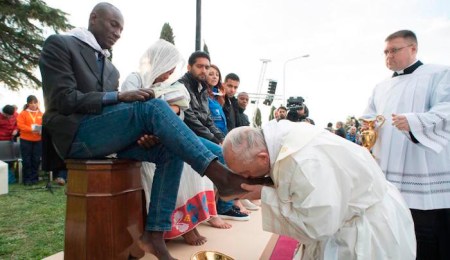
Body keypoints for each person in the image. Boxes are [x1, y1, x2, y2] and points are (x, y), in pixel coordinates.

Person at [39, 3, 270, 259]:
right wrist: (119, 96)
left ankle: (155, 234)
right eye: (113, 24)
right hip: (76, 135)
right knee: (152, 107)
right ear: (93, 18)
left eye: (121, 28)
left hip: (104, 135)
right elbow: (63, 99)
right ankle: (222, 176)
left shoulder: (110, 67)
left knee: (169, 151)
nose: (117, 32)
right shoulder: (60, 44)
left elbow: (114, 117)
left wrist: (138, 134)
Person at [222, 121, 416, 260]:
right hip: (347, 212)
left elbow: (317, 227)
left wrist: (263, 194)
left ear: (263, 157)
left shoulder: (303, 163)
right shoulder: (278, 137)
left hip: (364, 229)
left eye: (246, 172)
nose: (247, 177)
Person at [121, 39, 228, 244]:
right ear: (158, 62)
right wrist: (164, 114)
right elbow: (132, 112)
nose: (170, 73)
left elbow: (176, 115)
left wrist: (173, 110)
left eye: (172, 69)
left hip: (161, 137)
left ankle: (191, 223)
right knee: (180, 160)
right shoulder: (134, 80)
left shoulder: (166, 86)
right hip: (141, 141)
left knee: (191, 165)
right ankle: (180, 226)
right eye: (167, 68)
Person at [361, 29, 450, 260]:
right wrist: (366, 129)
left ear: (413, 48)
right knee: (393, 225)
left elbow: (447, 109)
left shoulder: (439, 73)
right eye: (385, 52)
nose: (388, 56)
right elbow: (369, 117)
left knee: (424, 230)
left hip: (422, 166)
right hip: (388, 168)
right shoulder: (380, 87)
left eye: (394, 50)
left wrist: (414, 122)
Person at [178, 51, 225, 145]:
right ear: (189, 67)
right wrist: (214, 140)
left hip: (202, 137)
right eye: (199, 66)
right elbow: (191, 121)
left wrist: (221, 138)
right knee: (222, 155)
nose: (204, 70)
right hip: (187, 138)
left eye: (207, 67)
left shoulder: (203, 90)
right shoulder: (180, 87)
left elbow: (208, 120)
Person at [17, 95, 43, 185]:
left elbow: (44, 125)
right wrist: (31, 129)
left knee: (36, 160)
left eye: (35, 103)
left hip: (38, 140)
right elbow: (20, 126)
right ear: (28, 104)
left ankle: (34, 178)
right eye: (31, 103)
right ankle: (27, 179)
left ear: (37, 103)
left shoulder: (41, 114)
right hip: (26, 140)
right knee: (27, 160)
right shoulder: (23, 113)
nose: (33, 105)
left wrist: (42, 130)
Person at [206, 64, 227, 135]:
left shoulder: (217, 95)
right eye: (211, 74)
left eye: (217, 75)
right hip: (211, 136)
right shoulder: (202, 95)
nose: (215, 77)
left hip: (222, 134)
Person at [0, 105, 19, 183]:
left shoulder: (15, 114)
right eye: (7, 116)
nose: (9, 117)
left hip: (11, 140)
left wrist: (16, 129)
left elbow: (17, 124)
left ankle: (11, 177)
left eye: (11, 116)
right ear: (4, 113)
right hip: (1, 141)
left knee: (11, 160)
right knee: (2, 160)